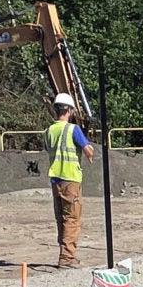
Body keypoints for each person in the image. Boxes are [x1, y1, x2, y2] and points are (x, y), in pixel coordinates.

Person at [45, 90, 91, 267]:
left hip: (55, 180)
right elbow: (88, 152)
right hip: (70, 179)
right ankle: (67, 258)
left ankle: (65, 253)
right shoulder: (73, 129)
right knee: (72, 219)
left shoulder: (49, 131)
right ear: (70, 110)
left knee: (61, 219)